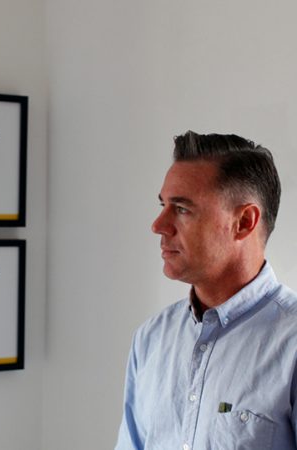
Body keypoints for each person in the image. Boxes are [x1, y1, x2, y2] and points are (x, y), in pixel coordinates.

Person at [114, 131, 297, 450]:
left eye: (182, 209)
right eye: (163, 205)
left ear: (244, 222)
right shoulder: (150, 339)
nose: (158, 225)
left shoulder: (291, 344)